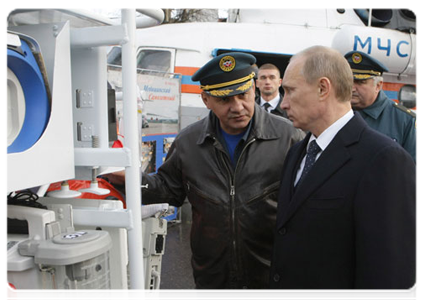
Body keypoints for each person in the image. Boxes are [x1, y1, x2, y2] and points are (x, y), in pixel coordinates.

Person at [126, 52, 303, 300]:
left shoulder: (289, 138)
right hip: (214, 281)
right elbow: (169, 189)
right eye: (225, 99)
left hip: (272, 280)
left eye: (243, 95)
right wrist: (128, 181)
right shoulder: (189, 143)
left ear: (254, 89)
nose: (238, 106)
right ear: (206, 99)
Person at [268, 46, 419, 300]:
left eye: (290, 91)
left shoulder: (384, 160)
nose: (283, 103)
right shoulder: (297, 153)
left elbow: (388, 277)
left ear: (323, 88)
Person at [344, 50, 420, 171]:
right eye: (350, 81)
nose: (352, 88)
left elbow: (417, 169)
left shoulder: (404, 120)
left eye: (360, 82)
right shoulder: (334, 113)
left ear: (378, 85)